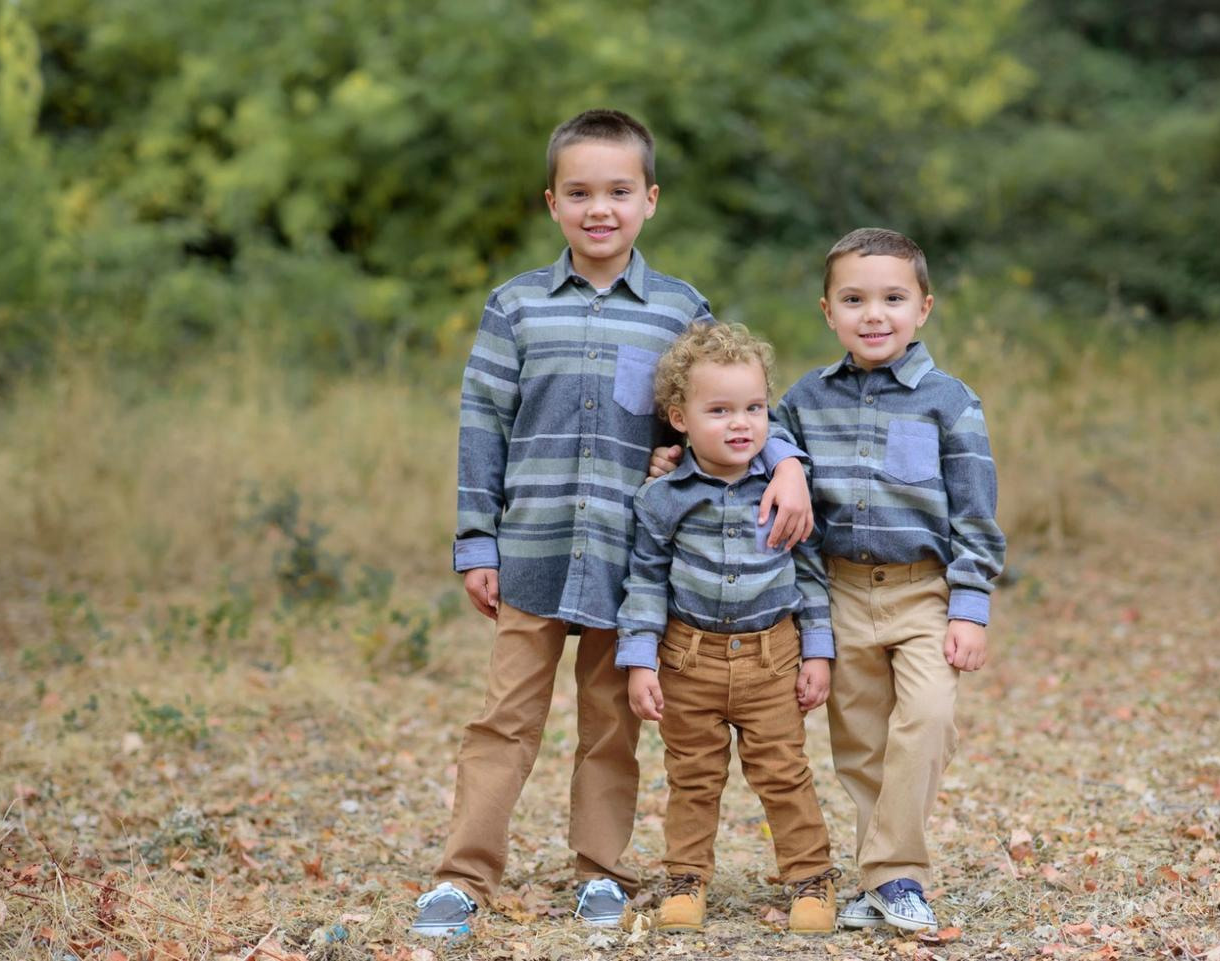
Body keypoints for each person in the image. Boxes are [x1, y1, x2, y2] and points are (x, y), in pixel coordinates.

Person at [409, 109, 813, 939]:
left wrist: (792, 460)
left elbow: (733, 403)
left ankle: (601, 871)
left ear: (650, 199)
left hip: (632, 563)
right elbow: (481, 425)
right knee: (504, 720)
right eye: (581, 192)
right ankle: (462, 876)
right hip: (533, 549)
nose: (601, 208)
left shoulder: (678, 309)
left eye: (619, 191)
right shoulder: (515, 306)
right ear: (552, 201)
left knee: (612, 723)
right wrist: (476, 539)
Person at [774, 227, 1007, 932]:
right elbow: (769, 449)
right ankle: (890, 882)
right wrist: (784, 459)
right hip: (840, 589)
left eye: (892, 298)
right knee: (860, 740)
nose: (874, 314)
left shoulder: (950, 401)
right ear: (828, 311)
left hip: (923, 591)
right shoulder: (805, 400)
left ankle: (895, 870)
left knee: (929, 716)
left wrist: (970, 606)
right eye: (854, 299)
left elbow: (976, 510)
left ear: (924, 307)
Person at [617, 322, 840, 935]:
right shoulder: (663, 498)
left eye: (753, 408)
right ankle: (686, 879)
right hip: (690, 659)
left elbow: (811, 576)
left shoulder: (785, 490)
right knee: (692, 774)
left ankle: (810, 880)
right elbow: (645, 582)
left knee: (784, 772)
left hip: (774, 656)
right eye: (719, 410)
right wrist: (640, 661)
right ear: (680, 418)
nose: (740, 423)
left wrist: (817, 654)